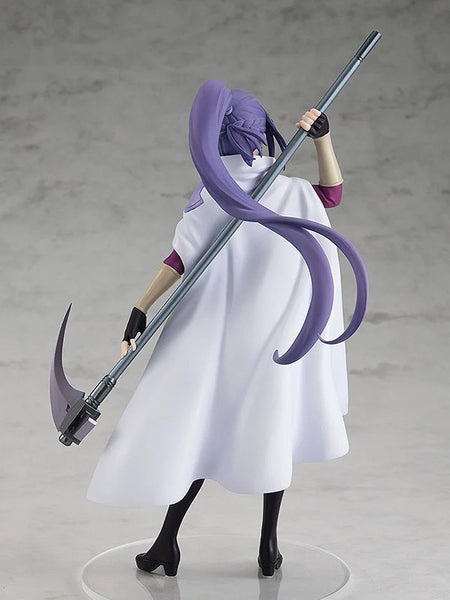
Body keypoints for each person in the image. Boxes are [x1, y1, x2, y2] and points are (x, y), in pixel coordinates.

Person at [86, 80, 367, 577]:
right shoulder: (288, 192)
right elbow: (332, 194)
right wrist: (324, 140)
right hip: (274, 339)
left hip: (218, 339)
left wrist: (141, 305)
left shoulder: (212, 194)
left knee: (201, 431)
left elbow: (179, 258)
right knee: (271, 427)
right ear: (261, 135)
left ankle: (168, 542)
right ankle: (266, 547)